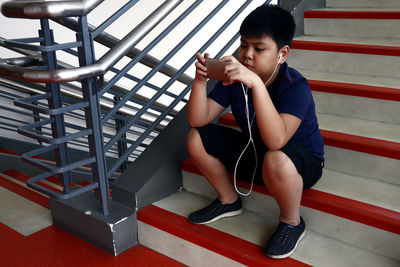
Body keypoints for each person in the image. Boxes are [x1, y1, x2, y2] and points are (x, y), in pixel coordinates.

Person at [185, 4, 324, 259]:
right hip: (257, 152)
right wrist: (200, 81)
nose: (247, 55)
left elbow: (277, 140)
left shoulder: (296, 87)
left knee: (277, 158)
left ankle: (292, 222)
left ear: (282, 54)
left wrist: (256, 85)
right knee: (196, 138)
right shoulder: (236, 78)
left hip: (298, 164)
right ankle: (229, 201)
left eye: (259, 48)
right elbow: (198, 119)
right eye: (243, 44)